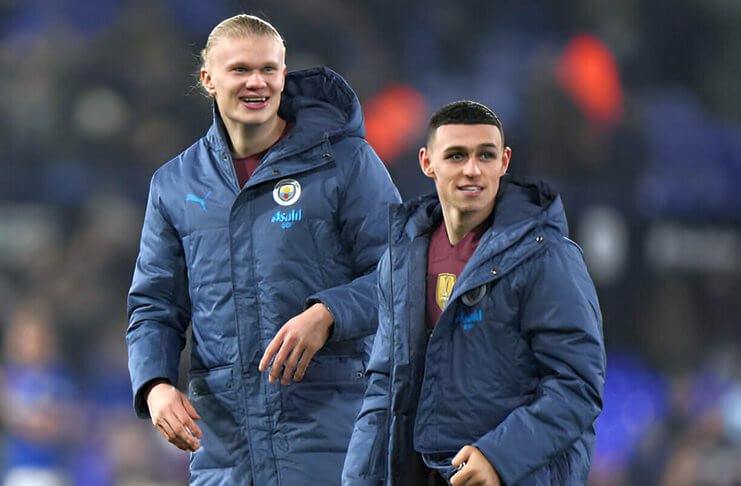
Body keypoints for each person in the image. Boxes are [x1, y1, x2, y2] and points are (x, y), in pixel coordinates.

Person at [126, 14, 400, 485]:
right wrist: (154, 386)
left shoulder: (345, 160)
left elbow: (404, 270)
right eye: (240, 70)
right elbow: (154, 305)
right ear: (208, 79)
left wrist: (329, 313)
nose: (257, 82)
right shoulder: (173, 185)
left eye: (269, 70)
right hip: (225, 448)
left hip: (335, 433)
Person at [343, 101, 606, 485]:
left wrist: (499, 458)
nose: (472, 170)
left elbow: (577, 386)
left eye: (486, 155)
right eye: (456, 155)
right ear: (427, 162)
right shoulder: (400, 260)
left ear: (504, 161)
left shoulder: (548, 257)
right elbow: (384, 386)